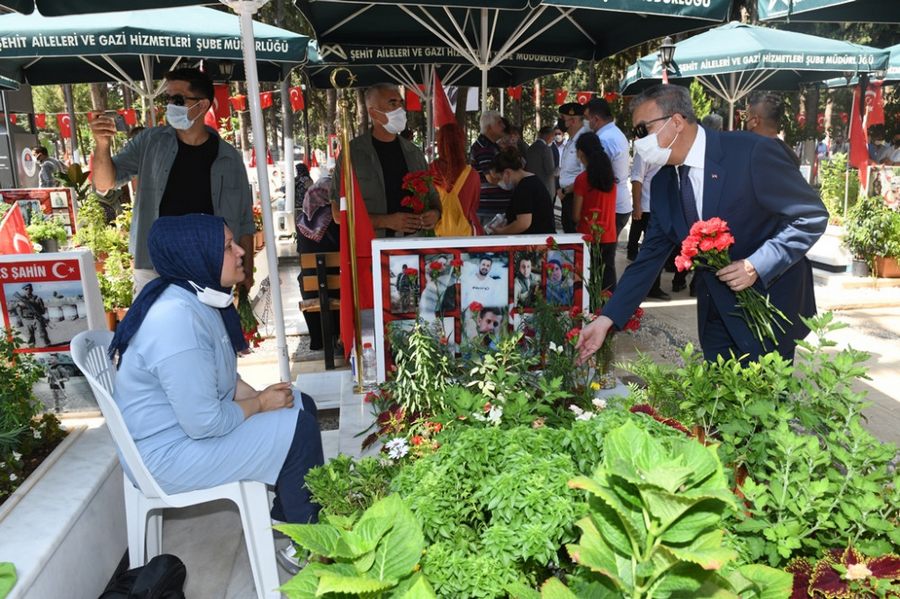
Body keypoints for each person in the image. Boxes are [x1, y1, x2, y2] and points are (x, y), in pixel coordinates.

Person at [110, 214, 324, 572]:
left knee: (301, 403)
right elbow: (205, 422)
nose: (241, 250)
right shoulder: (175, 320)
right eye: (227, 246)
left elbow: (221, 375)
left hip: (183, 432)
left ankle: (289, 514)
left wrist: (264, 399)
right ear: (197, 255)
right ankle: (310, 550)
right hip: (168, 455)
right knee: (298, 431)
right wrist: (258, 404)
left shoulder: (195, 296)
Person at [575, 84, 828, 365]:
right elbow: (648, 258)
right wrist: (606, 319)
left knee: (762, 404)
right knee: (718, 401)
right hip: (716, 314)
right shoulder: (663, 184)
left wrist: (757, 264)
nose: (639, 141)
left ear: (676, 122)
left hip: (769, 308)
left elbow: (810, 216)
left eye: (642, 130)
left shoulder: (750, 152)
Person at [90, 68, 254, 295]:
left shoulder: (229, 158)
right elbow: (105, 182)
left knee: (206, 330)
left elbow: (245, 220)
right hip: (154, 266)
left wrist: (248, 271)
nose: (170, 106)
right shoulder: (149, 142)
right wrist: (102, 145)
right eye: (167, 99)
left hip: (210, 267)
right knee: (156, 328)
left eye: (177, 99)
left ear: (203, 105)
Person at [331, 83, 438, 237]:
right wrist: (385, 221)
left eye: (401, 103)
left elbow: (433, 197)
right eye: (392, 103)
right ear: (374, 113)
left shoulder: (414, 153)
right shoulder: (352, 154)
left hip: (414, 247)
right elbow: (338, 215)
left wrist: (435, 213)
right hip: (371, 247)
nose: (400, 110)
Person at [296, 174, 341, 352]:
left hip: (312, 287)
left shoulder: (302, 222)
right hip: (339, 286)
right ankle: (340, 335)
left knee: (304, 280)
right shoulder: (338, 219)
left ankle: (319, 339)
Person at [572, 133, 621, 294]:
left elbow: (576, 215)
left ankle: (591, 313)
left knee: (589, 277)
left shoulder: (582, 179)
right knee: (607, 275)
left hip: (588, 236)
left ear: (580, 153)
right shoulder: (610, 179)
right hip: (609, 235)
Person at [584, 98, 632, 237]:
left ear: (596, 119)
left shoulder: (605, 139)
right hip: (617, 203)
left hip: (610, 206)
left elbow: (599, 174)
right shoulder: (614, 133)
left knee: (602, 255)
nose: (585, 123)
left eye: (587, 118)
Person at [628, 152, 669, 300]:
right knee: (648, 250)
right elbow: (637, 179)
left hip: (663, 207)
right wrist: (637, 206)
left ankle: (653, 287)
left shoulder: (669, 147)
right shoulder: (645, 151)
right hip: (647, 208)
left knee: (657, 250)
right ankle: (639, 288)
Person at [487, 148, 555, 235]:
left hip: (535, 240)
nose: (497, 183)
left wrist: (502, 231)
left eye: (498, 178)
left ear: (507, 172)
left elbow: (523, 223)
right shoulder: (530, 181)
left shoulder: (524, 187)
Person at [430, 123, 483, 235]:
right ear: (462, 143)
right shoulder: (473, 175)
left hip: (433, 237)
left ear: (439, 143)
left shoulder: (428, 172)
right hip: (463, 238)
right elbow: (474, 207)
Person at [471, 110, 511, 223]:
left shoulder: (492, 146)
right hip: (489, 211)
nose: (503, 126)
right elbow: (492, 177)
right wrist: (510, 179)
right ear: (489, 127)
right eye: (499, 123)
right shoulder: (484, 147)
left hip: (494, 208)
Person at [744, 92, 801, 168]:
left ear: (755, 121)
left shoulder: (753, 152)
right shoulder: (789, 155)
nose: (746, 121)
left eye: (747, 117)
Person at [557, 103, 589, 233]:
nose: (560, 122)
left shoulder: (583, 140)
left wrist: (565, 191)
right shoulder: (571, 140)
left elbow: (585, 176)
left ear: (573, 120)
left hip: (576, 198)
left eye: (562, 118)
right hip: (568, 197)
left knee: (574, 238)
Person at [12, 284, 50, 348]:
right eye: (26, 289)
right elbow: (14, 308)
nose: (28, 290)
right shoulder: (20, 299)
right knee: (30, 336)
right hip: (27, 320)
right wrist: (19, 305)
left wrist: (35, 307)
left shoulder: (37, 298)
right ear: (24, 290)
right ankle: (32, 349)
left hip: (37, 318)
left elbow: (42, 311)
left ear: (32, 289)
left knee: (42, 333)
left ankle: (48, 346)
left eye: (29, 288)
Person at [525, 125, 556, 198]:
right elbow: (550, 171)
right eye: (553, 137)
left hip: (532, 186)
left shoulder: (530, 148)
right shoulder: (546, 149)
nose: (553, 139)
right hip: (545, 188)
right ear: (549, 136)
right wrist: (558, 170)